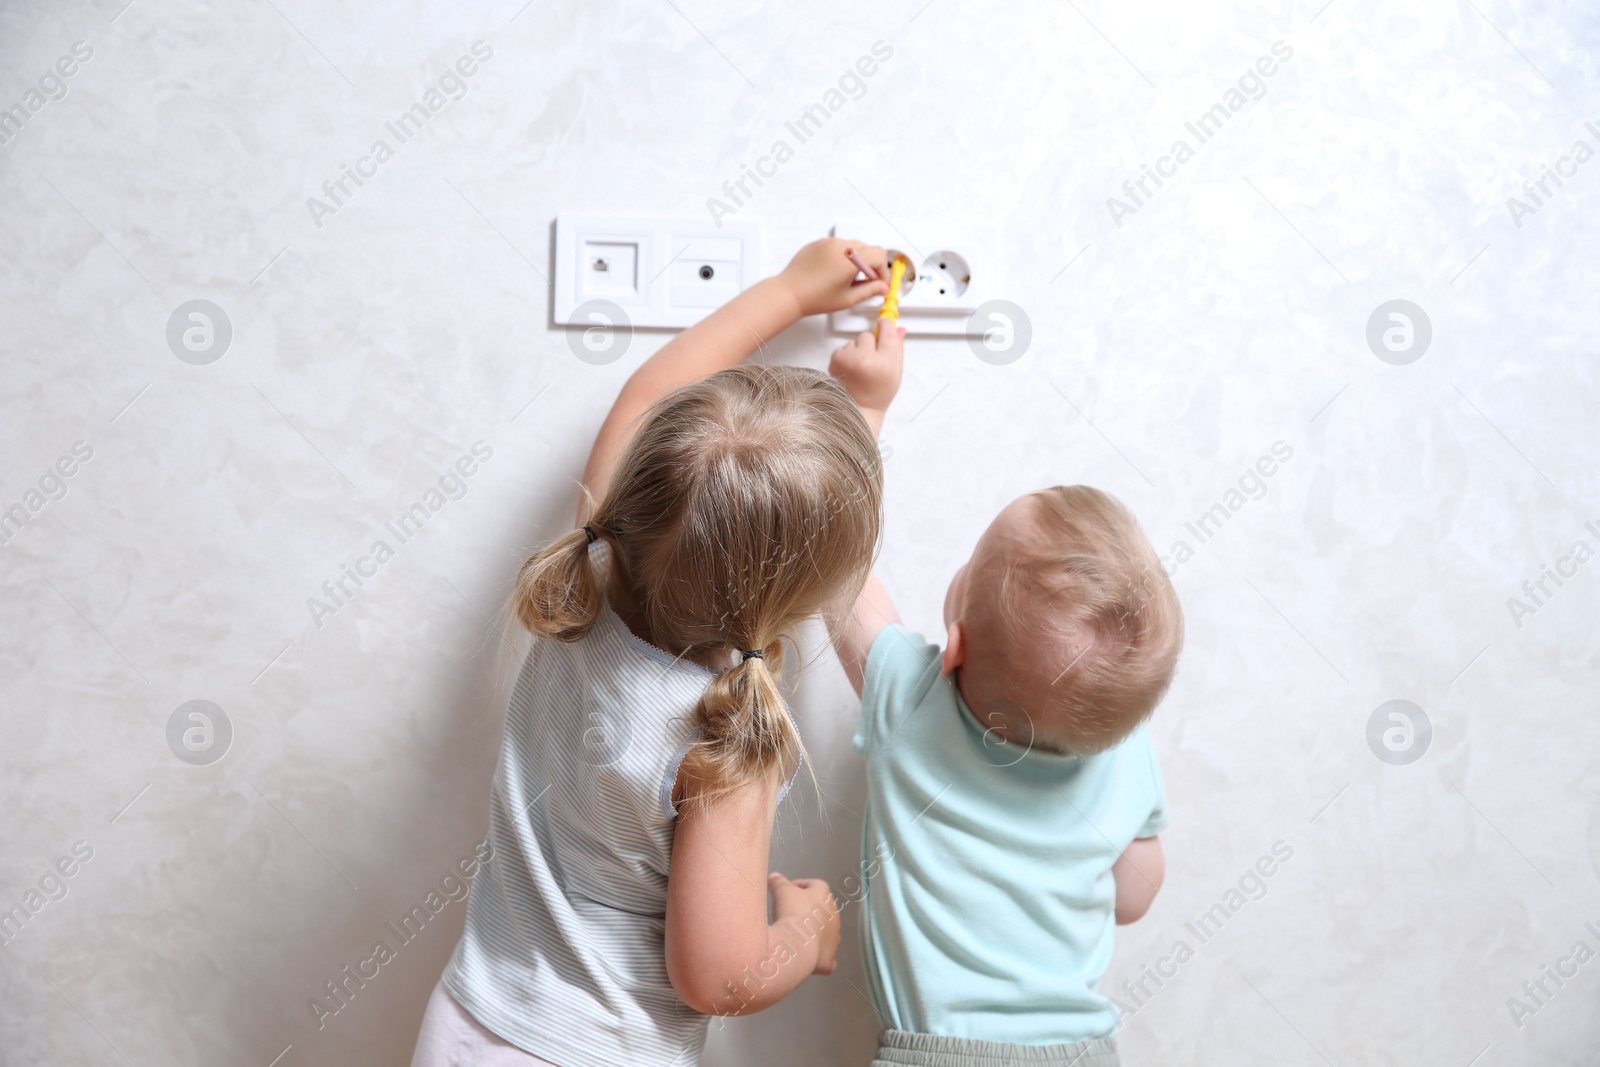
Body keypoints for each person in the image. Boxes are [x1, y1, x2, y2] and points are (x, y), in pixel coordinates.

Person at [411, 237, 903, 1067]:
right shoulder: (724, 742)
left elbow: (648, 393)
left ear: (643, 485)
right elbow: (718, 977)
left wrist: (787, 290)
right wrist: (804, 930)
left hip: (467, 1020)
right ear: (807, 590)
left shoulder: (583, 582)